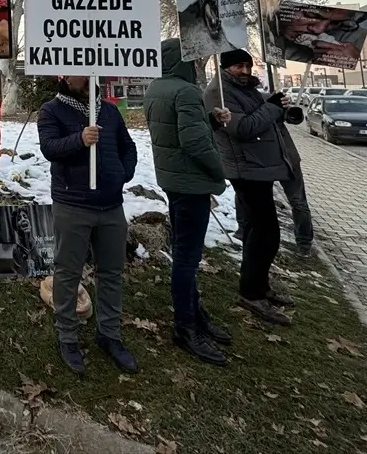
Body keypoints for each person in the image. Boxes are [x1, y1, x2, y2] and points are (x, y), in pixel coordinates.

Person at [38, 76, 138, 375]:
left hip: (110, 206)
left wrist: (122, 173)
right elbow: (49, 148)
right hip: (73, 204)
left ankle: (109, 334)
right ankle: (67, 336)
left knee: (111, 273)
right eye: (70, 69)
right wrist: (79, 139)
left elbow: (128, 146)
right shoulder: (51, 110)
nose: (77, 74)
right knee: (68, 274)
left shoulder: (108, 111)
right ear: (62, 77)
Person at [142, 39, 234, 366]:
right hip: (191, 182)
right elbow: (193, 141)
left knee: (184, 251)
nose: (198, 65)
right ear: (184, 62)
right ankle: (185, 324)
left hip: (173, 180)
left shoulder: (156, 89)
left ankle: (194, 312)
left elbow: (173, 130)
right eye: (194, 60)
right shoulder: (186, 92)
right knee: (186, 257)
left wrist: (208, 120)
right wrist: (220, 171)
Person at [208, 49, 297, 327]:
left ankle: (259, 284)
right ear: (225, 68)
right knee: (265, 231)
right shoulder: (219, 94)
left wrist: (276, 106)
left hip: (260, 167)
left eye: (248, 65)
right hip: (245, 169)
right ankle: (251, 292)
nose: (245, 71)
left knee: (260, 231)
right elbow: (243, 127)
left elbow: (262, 116)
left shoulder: (246, 89)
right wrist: (271, 108)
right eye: (238, 66)